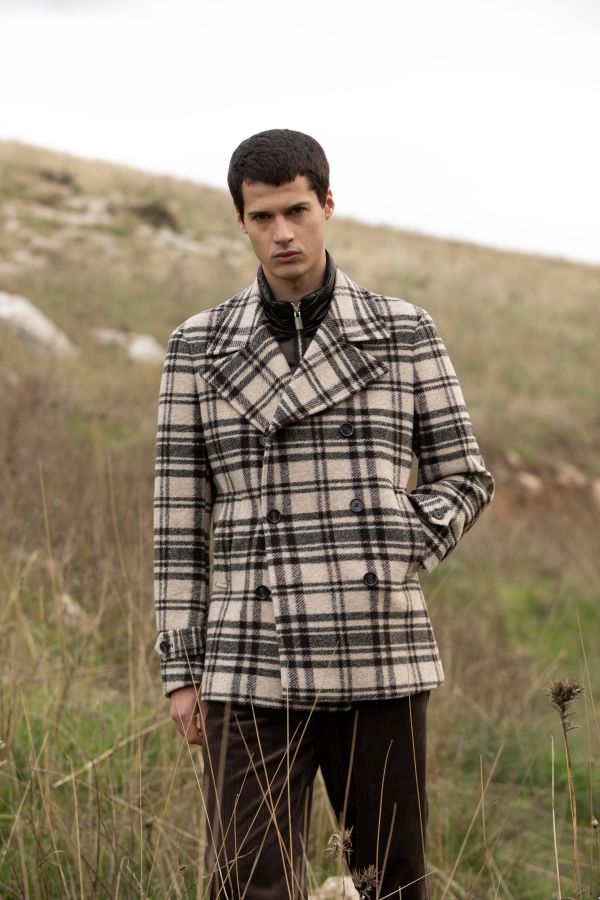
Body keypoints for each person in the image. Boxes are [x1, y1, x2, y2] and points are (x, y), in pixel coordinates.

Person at [153, 128, 495, 899]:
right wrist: (181, 669)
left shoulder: (403, 331)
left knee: (391, 881)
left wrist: (391, 542)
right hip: (248, 652)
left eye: (297, 211)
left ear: (328, 205)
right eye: (263, 216)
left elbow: (465, 476)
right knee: (246, 881)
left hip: (377, 643)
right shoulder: (197, 347)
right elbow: (177, 522)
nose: (283, 233)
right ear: (241, 221)